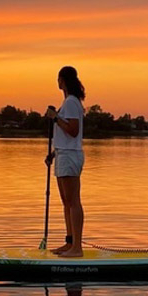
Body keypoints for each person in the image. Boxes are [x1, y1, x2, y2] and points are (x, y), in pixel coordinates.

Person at [45, 65, 85, 257]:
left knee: (73, 201)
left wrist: (55, 118)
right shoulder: (69, 102)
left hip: (70, 155)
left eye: (58, 78)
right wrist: (53, 154)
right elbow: (66, 134)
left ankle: (77, 247)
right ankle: (69, 243)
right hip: (63, 153)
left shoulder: (70, 102)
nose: (57, 82)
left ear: (63, 80)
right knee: (66, 202)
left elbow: (73, 130)